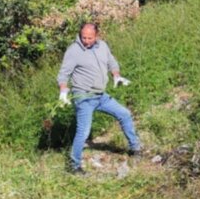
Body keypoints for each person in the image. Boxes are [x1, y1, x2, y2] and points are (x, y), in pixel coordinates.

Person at [57, 22, 142, 174]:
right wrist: (63, 90)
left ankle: (135, 148)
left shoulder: (102, 46)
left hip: (100, 95)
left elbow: (111, 61)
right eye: (83, 37)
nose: (86, 41)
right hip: (83, 98)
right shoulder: (74, 51)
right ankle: (74, 166)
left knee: (125, 114)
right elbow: (64, 73)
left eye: (90, 38)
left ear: (97, 35)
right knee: (83, 132)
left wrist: (116, 75)